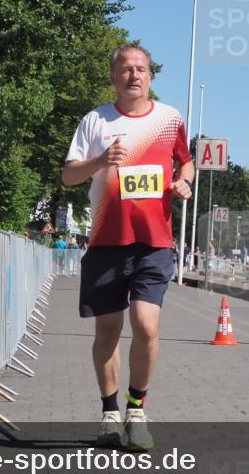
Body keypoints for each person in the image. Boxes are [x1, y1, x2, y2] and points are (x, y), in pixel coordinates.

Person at [62, 44, 194, 451]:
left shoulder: (170, 119)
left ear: (150, 76)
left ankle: (137, 409)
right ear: (113, 77)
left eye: (141, 69)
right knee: (107, 330)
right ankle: (108, 414)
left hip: (154, 241)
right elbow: (68, 177)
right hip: (106, 241)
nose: (134, 75)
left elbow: (185, 161)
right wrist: (100, 161)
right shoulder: (94, 121)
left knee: (146, 325)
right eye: (126, 69)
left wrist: (184, 182)